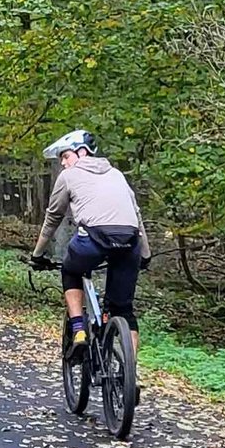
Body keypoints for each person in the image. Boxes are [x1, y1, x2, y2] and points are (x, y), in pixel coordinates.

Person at [29, 129, 150, 357]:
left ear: (82, 152)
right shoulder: (117, 175)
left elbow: (53, 217)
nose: (63, 164)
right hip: (129, 242)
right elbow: (137, 216)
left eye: (65, 156)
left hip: (92, 241)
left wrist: (37, 255)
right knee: (123, 310)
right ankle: (130, 375)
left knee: (70, 269)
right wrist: (145, 255)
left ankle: (79, 331)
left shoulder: (68, 176)